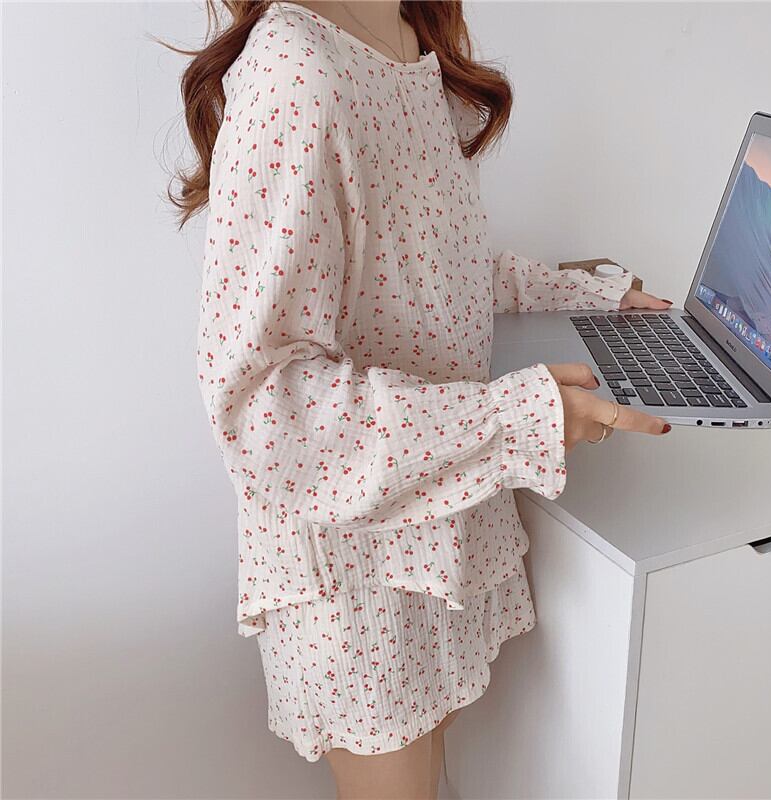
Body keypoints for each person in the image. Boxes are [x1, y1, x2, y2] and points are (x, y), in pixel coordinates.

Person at [167, 2, 672, 797]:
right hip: (356, 575)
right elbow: (265, 405)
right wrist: (519, 418)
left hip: (433, 528)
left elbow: (436, 264)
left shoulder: (405, 34)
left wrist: (589, 296)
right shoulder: (294, 71)